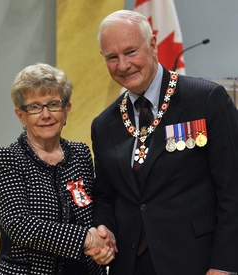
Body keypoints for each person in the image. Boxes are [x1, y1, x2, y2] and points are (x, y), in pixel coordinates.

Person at [89, 10, 238, 275]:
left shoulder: (205, 100)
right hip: (131, 266)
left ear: (154, 45)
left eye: (131, 51)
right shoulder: (104, 125)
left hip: (198, 262)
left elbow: (232, 188)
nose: (123, 65)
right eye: (112, 57)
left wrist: (225, 265)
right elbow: (104, 197)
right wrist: (104, 229)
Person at [0, 63, 116, 275]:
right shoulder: (6, 159)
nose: (45, 115)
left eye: (54, 104)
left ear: (66, 110)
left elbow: (95, 205)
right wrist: (85, 239)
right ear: (21, 115)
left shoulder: (80, 154)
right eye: (35, 107)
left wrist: (103, 235)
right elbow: (20, 225)